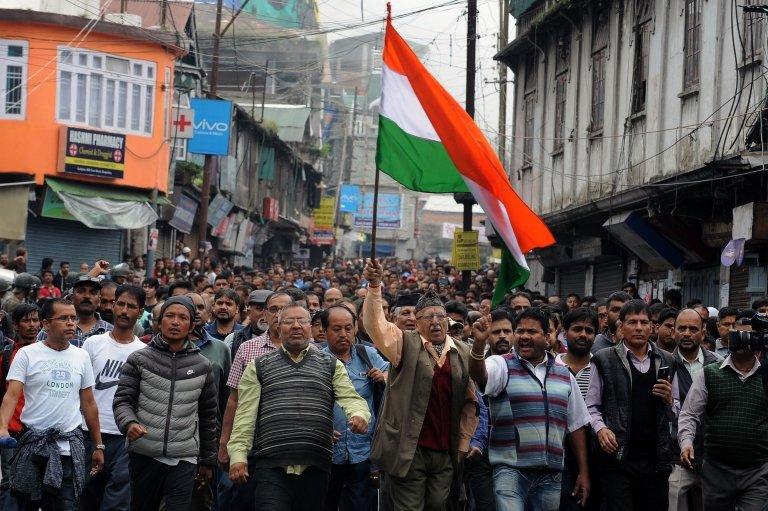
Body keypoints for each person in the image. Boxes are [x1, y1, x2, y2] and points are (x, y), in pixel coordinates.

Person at [227, 304, 370, 510]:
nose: (296, 326)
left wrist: (359, 415)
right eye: (288, 321)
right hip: (271, 467)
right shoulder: (258, 366)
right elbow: (245, 417)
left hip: (316, 466)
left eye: (302, 321)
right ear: (278, 326)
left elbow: (351, 398)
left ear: (311, 327)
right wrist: (238, 457)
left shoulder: (330, 364)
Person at [362, 259, 478, 511]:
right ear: (417, 321)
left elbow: (470, 402)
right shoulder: (404, 343)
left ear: (448, 321)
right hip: (408, 449)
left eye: (440, 316)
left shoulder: (462, 351)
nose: (435, 322)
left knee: (438, 505)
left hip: (446, 450)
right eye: (428, 317)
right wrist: (374, 286)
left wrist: (463, 443)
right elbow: (375, 326)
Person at [470, 308, 591, 511]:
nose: (524, 337)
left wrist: (583, 471)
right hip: (510, 471)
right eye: (520, 331)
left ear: (546, 338)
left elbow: (576, 426)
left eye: (532, 332)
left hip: (551, 474)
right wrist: (479, 343)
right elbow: (479, 375)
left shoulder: (564, 375)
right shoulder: (501, 364)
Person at [113, 296, 217, 511]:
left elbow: (208, 416)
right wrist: (129, 423)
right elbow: (123, 400)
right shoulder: (139, 359)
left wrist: (207, 461)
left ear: (191, 325)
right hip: (145, 453)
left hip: (184, 457)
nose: (175, 322)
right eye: (170, 316)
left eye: (182, 317)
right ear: (159, 322)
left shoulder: (202, 366)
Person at [0, 298, 104, 510]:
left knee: (66, 505)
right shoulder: (27, 354)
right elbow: (11, 396)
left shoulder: (81, 356)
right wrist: (2, 428)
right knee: (27, 504)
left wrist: (98, 444)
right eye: (63, 318)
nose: (71, 323)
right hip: (32, 445)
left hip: (68, 447)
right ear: (46, 324)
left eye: (73, 318)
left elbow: (89, 403)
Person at [586, 299, 676, 510]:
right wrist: (601, 429)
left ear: (651, 327)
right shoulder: (603, 359)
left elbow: (680, 409)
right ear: (621, 326)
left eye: (644, 322)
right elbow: (590, 406)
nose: (638, 328)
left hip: (656, 461)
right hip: (618, 460)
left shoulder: (667, 360)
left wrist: (669, 400)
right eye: (632, 322)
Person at [217, 292, 294, 509]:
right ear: (264, 315)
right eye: (273, 309)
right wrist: (225, 443)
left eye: (284, 309)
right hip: (250, 444)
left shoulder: (309, 351)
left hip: (289, 446)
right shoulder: (248, 348)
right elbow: (234, 399)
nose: (278, 315)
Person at [80, 285, 147, 511]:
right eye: (120, 304)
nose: (124, 311)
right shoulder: (92, 344)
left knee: (117, 500)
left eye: (131, 306)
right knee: (85, 495)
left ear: (141, 311)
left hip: (124, 436)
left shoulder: (144, 352)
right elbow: (81, 392)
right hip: (88, 432)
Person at [321, 305, 389, 511]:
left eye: (348, 328)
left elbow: (394, 377)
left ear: (356, 328)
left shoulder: (367, 355)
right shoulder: (316, 360)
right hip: (327, 451)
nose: (343, 334)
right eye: (336, 329)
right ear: (324, 331)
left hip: (362, 451)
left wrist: (383, 377)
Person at [668, 309, 721, 511]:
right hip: (675, 456)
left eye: (693, 328)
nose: (687, 333)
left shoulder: (718, 364)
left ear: (703, 332)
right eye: (682, 328)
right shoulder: (663, 363)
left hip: (711, 457)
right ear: (674, 332)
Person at [557, 307, 601, 510]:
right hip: (560, 453)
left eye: (589, 330)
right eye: (577, 329)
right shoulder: (552, 366)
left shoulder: (602, 367)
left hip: (595, 453)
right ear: (565, 333)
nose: (583, 334)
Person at [0, 304, 41, 510]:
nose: (32, 325)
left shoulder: (48, 353)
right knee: (10, 481)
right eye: (27, 320)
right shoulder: (7, 355)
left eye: (35, 320)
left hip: (39, 430)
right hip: (13, 431)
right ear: (16, 325)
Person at [39, 276, 113, 347]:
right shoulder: (53, 326)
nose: (87, 296)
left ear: (99, 300)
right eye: (81, 291)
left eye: (93, 292)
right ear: (71, 298)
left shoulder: (110, 331)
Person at [227, 290, 272, 354]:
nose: (265, 314)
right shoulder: (233, 339)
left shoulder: (284, 339)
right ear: (249, 312)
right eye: (260, 309)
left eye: (269, 309)